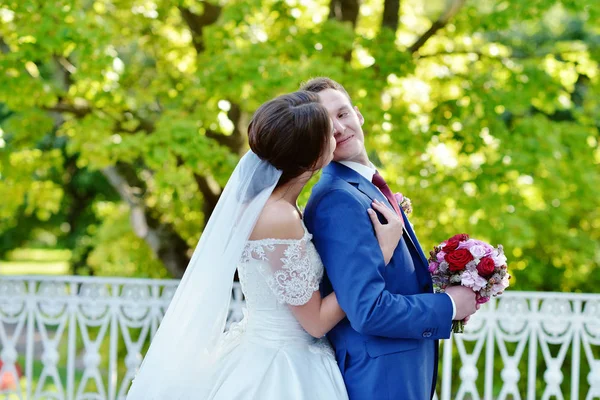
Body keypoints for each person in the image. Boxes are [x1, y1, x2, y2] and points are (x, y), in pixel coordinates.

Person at [126, 90, 401, 399]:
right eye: (328, 132)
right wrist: (380, 253)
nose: (337, 133)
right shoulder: (277, 216)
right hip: (282, 368)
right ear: (312, 158)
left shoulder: (281, 206)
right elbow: (315, 322)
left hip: (271, 347)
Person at [302, 77, 479, 400]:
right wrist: (449, 305)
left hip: (402, 370)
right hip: (379, 379)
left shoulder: (366, 186)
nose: (339, 129)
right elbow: (367, 309)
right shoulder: (336, 200)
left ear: (358, 114)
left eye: (342, 114)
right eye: (325, 126)